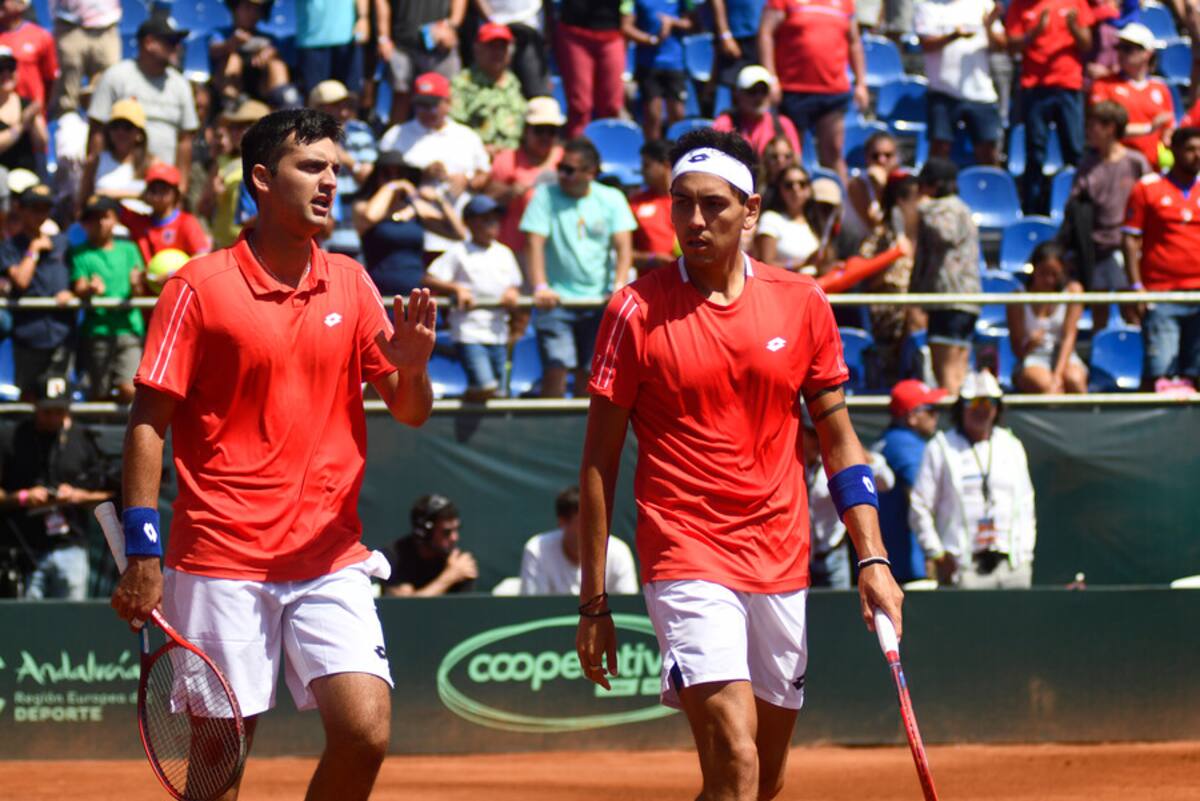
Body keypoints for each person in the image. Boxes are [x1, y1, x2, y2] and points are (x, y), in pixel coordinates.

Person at [109, 108, 439, 801]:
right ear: (261, 178)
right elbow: (148, 422)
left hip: (328, 555)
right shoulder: (197, 287)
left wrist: (412, 367)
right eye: (310, 167)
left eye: (334, 170)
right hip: (223, 557)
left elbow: (410, 410)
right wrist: (144, 549)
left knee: (366, 731)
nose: (329, 182)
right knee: (220, 764)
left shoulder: (351, 281)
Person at [576, 128, 904, 801]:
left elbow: (839, 438)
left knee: (762, 778)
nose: (694, 221)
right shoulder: (634, 311)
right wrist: (594, 599)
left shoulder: (802, 301)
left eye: (714, 206)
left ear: (750, 210)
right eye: (682, 203)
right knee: (736, 759)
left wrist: (872, 555)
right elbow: (597, 463)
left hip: (782, 555)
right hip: (685, 551)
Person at [520, 136, 636, 397]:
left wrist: (618, 286)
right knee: (556, 368)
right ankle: (551, 433)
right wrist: (540, 286)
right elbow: (533, 243)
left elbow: (623, 246)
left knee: (592, 373)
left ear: (590, 172)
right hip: (556, 301)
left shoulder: (612, 198)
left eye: (569, 170)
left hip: (598, 303)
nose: (562, 174)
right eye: (560, 167)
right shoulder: (545, 195)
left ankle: (584, 434)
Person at [910, 369, 1037, 588]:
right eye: (973, 403)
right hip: (964, 566)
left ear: (997, 407)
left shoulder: (1011, 445)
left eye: (987, 403)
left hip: (1012, 564)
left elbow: (1026, 503)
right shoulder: (940, 447)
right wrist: (937, 553)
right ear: (961, 406)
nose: (980, 410)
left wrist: (1025, 553)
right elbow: (919, 505)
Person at [0, 376, 113, 599]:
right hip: (25, 550)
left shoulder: (82, 439)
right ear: (35, 406)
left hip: (71, 547)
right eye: (47, 411)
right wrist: (22, 497)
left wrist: (76, 496)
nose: (53, 418)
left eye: (59, 411)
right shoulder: (11, 438)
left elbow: (111, 493)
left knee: (72, 622)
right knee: (28, 622)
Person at [1122, 126, 1200, 395]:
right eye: (1190, 149)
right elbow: (1130, 240)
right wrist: (1136, 287)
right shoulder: (1148, 188)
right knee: (1159, 371)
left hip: (1199, 295)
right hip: (1162, 293)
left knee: (1197, 371)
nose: (1197, 155)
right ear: (1174, 151)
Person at [379, 72, 490, 255]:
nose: (428, 111)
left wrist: (467, 180)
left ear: (448, 102)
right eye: (422, 105)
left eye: (433, 105)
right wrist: (420, 176)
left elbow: (484, 173)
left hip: (460, 237)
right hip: (412, 236)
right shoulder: (395, 136)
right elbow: (380, 180)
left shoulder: (466, 136)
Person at [759, 0, 869, 186]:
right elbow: (766, 33)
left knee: (833, 151)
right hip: (793, 89)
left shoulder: (845, 3)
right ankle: (788, 206)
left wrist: (861, 83)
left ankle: (840, 207)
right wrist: (771, 77)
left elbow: (854, 42)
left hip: (833, 90)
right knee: (790, 155)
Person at [1059, 100, 1147, 330]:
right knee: (1099, 312)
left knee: (1132, 310)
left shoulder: (1135, 163)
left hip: (1126, 250)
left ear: (1110, 128)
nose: (1088, 131)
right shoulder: (1087, 165)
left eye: (1093, 125)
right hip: (1095, 249)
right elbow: (1073, 204)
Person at [424, 195, 522, 398]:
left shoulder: (504, 253)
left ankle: (472, 405)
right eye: (485, 219)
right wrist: (456, 288)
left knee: (501, 393)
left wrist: (512, 292)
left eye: (495, 219)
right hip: (469, 331)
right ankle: (466, 399)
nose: (492, 224)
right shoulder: (458, 251)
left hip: (498, 331)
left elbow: (514, 284)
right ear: (469, 223)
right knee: (486, 386)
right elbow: (429, 278)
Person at [1005, 0, 1094, 214]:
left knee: (1074, 151)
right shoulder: (1020, 6)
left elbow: (1087, 44)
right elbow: (1011, 46)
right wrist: (1033, 33)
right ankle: (1033, 212)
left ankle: (1079, 210)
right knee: (1035, 154)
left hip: (1068, 85)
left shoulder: (1075, 2)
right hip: (1035, 87)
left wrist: (1074, 28)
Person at [88, 16, 197, 186]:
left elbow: (185, 141)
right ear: (149, 42)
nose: (177, 47)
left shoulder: (180, 84)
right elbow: (97, 131)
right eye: (171, 41)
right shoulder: (116, 76)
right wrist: (94, 180)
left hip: (162, 188)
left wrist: (181, 186)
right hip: (118, 182)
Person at [908, 157, 980, 396]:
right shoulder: (961, 207)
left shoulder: (947, 207)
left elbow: (945, 234)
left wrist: (921, 208)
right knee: (957, 371)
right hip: (960, 300)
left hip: (950, 298)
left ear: (934, 185)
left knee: (946, 371)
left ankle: (954, 425)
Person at [801, 406, 894, 589]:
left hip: (833, 553)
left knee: (838, 611)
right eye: (812, 433)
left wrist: (852, 449)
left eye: (821, 433)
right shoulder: (788, 461)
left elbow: (886, 481)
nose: (818, 440)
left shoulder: (837, 459)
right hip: (798, 555)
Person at [353, 151, 465, 297]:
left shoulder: (416, 208)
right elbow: (370, 216)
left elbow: (458, 233)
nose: (394, 179)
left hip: (415, 291)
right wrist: (391, 187)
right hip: (380, 292)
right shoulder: (362, 206)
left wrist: (440, 200)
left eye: (400, 175)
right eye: (387, 174)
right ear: (376, 178)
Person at [1, 182, 74, 398]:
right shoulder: (10, 247)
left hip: (62, 334)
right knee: (30, 400)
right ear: (21, 209)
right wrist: (33, 250)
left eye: (45, 208)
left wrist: (73, 293)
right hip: (29, 337)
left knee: (59, 398)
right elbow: (21, 281)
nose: (40, 214)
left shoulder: (62, 244)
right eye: (34, 208)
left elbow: (78, 278)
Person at [70, 194, 144, 403]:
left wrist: (136, 284)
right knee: (98, 392)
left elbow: (138, 291)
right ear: (85, 223)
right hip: (97, 331)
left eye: (105, 216)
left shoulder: (129, 249)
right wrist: (90, 289)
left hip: (128, 328)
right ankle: (97, 433)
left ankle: (124, 431)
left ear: (115, 219)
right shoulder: (79, 253)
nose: (101, 222)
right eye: (94, 218)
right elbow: (79, 286)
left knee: (129, 389)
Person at [871, 379, 946, 585]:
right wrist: (932, 550)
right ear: (912, 416)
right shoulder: (904, 443)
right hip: (910, 564)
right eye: (930, 409)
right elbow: (920, 494)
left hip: (892, 560)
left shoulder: (889, 439)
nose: (936, 415)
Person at [913, 0, 1005, 164]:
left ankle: (989, 189)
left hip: (980, 92)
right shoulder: (926, 6)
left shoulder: (984, 4)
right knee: (939, 153)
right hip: (943, 91)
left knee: (988, 154)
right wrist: (954, 35)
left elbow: (1000, 46)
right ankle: (934, 189)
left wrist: (989, 26)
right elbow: (926, 44)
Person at [863, 170, 924, 386]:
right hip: (888, 308)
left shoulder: (929, 236)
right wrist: (892, 254)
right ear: (901, 202)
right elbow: (866, 278)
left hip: (921, 308)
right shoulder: (883, 236)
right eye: (918, 198)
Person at [519, 485, 638, 595]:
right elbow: (536, 607)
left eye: (597, 520)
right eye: (585, 521)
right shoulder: (536, 550)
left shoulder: (619, 552)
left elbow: (626, 607)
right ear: (562, 521)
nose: (594, 528)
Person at [1088, 22, 1174, 170]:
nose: (1120, 53)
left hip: (1153, 169)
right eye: (1119, 48)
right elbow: (1102, 128)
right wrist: (1148, 128)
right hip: (1115, 168)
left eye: (1128, 49)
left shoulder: (1160, 88)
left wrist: (1167, 136)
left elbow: (1168, 128)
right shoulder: (1103, 84)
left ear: (1147, 53)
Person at [487, 96, 565, 259]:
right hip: (516, 250)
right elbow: (488, 198)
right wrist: (509, 191)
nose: (545, 136)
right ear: (526, 130)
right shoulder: (507, 159)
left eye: (551, 131)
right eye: (539, 130)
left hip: (558, 252)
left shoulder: (566, 159)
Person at [1008, 241, 1088, 394]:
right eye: (1043, 273)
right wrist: (1030, 343)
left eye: (1055, 274)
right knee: (1048, 388)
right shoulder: (1017, 298)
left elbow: (1069, 336)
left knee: (1075, 381)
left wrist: (1057, 375)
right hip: (1032, 358)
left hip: (1065, 356)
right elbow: (1017, 351)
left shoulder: (1073, 291)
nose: (1049, 280)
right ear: (1033, 269)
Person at [375, 0, 465, 126]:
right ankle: (394, 144)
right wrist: (383, 37)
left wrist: (451, 25)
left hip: (440, 46)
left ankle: (448, 141)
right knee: (400, 98)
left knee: (445, 97)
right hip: (402, 43)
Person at [199, 99, 269, 250]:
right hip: (223, 245)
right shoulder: (221, 162)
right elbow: (203, 209)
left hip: (254, 245)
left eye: (243, 126)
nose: (235, 132)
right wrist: (212, 194)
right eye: (233, 127)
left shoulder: (271, 163)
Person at [450, 22, 528, 155]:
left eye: (502, 47)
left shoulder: (514, 82)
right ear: (477, 49)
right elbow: (454, 128)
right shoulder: (462, 83)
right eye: (491, 47)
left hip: (515, 158)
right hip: (476, 157)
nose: (497, 53)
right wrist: (480, 150)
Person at [622, 0, 695, 142]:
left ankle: (678, 149)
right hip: (648, 64)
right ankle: (653, 154)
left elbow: (692, 22)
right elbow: (626, 27)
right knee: (653, 114)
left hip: (675, 63)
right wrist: (651, 40)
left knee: (678, 113)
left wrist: (672, 22)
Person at [552, 0, 627, 137]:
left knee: (612, 105)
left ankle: (607, 148)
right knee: (580, 105)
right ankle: (578, 151)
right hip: (575, 34)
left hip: (611, 34)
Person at [382, 494, 478, 596]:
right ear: (424, 533)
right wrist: (449, 577)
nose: (454, 537)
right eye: (446, 532)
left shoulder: (459, 563)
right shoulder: (394, 557)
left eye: (456, 529)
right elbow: (405, 608)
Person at [122, 162, 212, 266]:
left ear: (175, 193)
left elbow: (203, 254)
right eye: (153, 189)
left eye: (163, 189)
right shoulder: (139, 222)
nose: (157, 195)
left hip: (178, 280)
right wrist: (139, 195)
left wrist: (174, 273)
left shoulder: (186, 222)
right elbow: (107, 201)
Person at [209, 0, 293, 103]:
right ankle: (231, 102)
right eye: (248, 8)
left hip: (262, 85)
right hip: (231, 83)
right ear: (235, 9)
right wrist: (231, 44)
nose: (253, 13)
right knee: (233, 59)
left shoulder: (269, 38)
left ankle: (284, 103)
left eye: (257, 9)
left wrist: (270, 53)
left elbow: (278, 51)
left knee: (276, 64)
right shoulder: (222, 34)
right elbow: (213, 50)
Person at [712, 64, 802, 157]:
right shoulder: (725, 123)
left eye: (764, 91)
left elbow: (795, 162)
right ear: (738, 94)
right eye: (752, 91)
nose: (759, 98)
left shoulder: (783, 125)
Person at [50, 0, 122, 116]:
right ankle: (65, 126)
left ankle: (106, 128)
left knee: (108, 87)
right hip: (68, 23)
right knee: (66, 97)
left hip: (107, 22)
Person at [753, 163, 821, 270]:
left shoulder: (814, 223)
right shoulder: (770, 219)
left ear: (809, 189)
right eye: (789, 185)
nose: (796, 189)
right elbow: (766, 264)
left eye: (802, 184)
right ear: (780, 190)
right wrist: (802, 265)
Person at [81, 98, 149, 202]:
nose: (120, 132)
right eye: (115, 126)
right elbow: (81, 203)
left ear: (139, 133)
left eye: (127, 127)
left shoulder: (151, 164)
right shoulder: (95, 161)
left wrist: (108, 194)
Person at [295, 0, 368, 96]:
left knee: (350, 96)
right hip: (311, 40)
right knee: (315, 96)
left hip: (348, 38)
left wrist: (363, 18)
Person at [842, 132, 900, 250]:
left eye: (888, 155)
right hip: (855, 249)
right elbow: (875, 225)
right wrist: (881, 187)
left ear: (897, 158)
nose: (881, 160)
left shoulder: (903, 183)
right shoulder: (856, 184)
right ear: (866, 158)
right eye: (875, 156)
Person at [0, 0, 57, 114]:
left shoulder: (41, 36)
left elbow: (50, 80)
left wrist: (39, 108)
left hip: (34, 117)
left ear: (20, 5)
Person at [629, 139, 677, 274]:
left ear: (666, 166)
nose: (642, 171)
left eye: (647, 165)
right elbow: (624, 253)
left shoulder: (691, 201)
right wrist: (651, 259)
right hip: (649, 285)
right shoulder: (635, 203)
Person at [0, 44, 45, 176]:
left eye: (11, 67)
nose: (6, 74)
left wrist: (35, 119)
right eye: (0, 69)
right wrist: (21, 125)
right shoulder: (24, 118)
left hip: (26, 179)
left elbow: (41, 146)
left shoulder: (27, 104)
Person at [710, 0, 768, 94]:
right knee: (731, 89)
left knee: (760, 89)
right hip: (736, 36)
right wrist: (724, 33)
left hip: (761, 36)